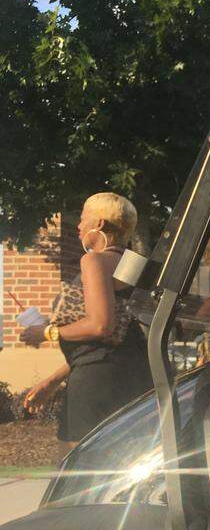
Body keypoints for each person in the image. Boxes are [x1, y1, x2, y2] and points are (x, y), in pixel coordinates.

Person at [21, 192, 153, 451]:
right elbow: (113, 339)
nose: (79, 226)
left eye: (82, 219)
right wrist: (53, 380)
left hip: (97, 382)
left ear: (100, 224)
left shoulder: (94, 260)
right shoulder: (136, 265)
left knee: (78, 471)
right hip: (135, 374)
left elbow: (101, 326)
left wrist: (47, 332)